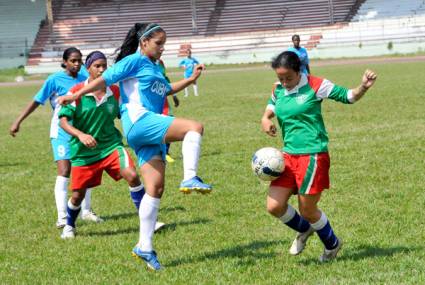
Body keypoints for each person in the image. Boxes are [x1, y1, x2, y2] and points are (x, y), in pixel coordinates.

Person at [58, 23, 212, 270]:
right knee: (194, 127)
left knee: (155, 188)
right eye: (158, 43)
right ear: (144, 43)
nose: (162, 48)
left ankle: (145, 247)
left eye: (164, 43)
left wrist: (191, 79)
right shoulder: (134, 60)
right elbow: (104, 79)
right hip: (139, 121)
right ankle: (190, 177)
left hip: (145, 132)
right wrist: (75, 96)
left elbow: (166, 90)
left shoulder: (154, 67)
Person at [261, 51, 377, 262]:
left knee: (308, 209)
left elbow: (348, 96)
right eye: (280, 78)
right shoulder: (278, 89)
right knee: (274, 206)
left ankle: (333, 244)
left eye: (288, 77)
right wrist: (265, 118)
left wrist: (363, 87)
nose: (284, 82)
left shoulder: (316, 85)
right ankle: (305, 230)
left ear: (299, 71)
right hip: (287, 156)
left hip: (312, 156)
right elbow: (271, 106)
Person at [9, 47, 102, 228]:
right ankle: (62, 216)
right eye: (73, 61)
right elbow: (37, 101)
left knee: (85, 169)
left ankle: (86, 211)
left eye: (79, 60)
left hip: (81, 131)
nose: (76, 64)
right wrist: (18, 121)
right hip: (61, 131)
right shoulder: (54, 80)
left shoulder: (86, 78)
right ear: (65, 62)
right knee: (65, 171)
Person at [158, 58, 179, 163]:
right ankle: (161, 153)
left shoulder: (161, 62)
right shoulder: (143, 62)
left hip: (163, 98)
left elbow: (166, 79)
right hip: (151, 99)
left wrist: (174, 95)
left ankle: (165, 152)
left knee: (169, 123)